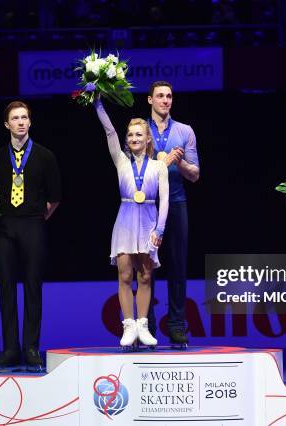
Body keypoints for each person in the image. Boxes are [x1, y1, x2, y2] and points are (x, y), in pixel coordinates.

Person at [0, 101, 61, 372]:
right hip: (5, 227)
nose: (20, 122)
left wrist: (35, 219)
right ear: (7, 124)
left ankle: (31, 347)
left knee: (32, 286)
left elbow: (54, 199)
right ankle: (10, 348)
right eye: (15, 118)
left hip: (33, 225)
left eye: (24, 117)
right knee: (6, 287)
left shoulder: (45, 156)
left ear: (30, 122)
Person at [94, 96, 169, 350]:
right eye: (130, 135)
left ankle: (143, 324)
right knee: (125, 274)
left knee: (146, 276)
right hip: (125, 220)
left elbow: (165, 200)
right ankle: (128, 324)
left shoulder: (159, 166)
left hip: (148, 220)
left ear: (148, 138)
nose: (134, 138)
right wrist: (98, 105)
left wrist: (159, 229)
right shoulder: (121, 162)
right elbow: (109, 131)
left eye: (139, 134)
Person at [145, 81, 200, 348]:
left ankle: (177, 326)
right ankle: (148, 325)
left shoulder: (185, 131)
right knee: (146, 267)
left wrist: (180, 162)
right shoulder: (139, 130)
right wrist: (158, 164)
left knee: (177, 266)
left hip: (177, 203)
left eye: (169, 96)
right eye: (160, 96)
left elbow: (195, 175)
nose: (165, 100)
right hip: (146, 206)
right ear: (150, 100)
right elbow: (131, 172)